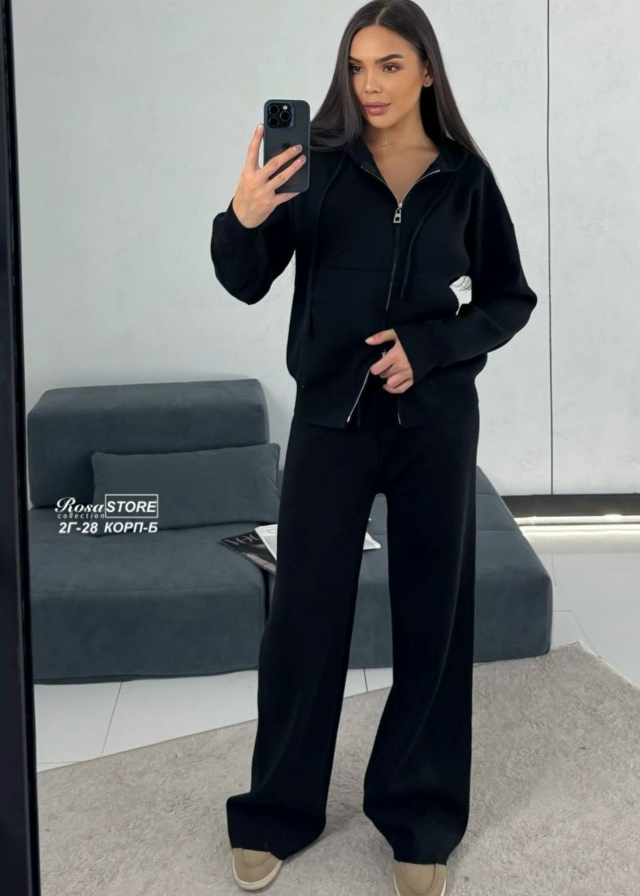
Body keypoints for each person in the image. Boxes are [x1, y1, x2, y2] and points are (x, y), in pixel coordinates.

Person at [210, 2, 537, 893]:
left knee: (434, 619)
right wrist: (243, 215)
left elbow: (508, 300)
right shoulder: (314, 164)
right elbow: (244, 282)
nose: (370, 85)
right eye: (357, 67)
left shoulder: (465, 177)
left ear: (426, 69)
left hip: (435, 426)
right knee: (303, 618)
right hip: (331, 423)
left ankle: (419, 816)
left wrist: (427, 349)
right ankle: (278, 812)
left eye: (390, 65)